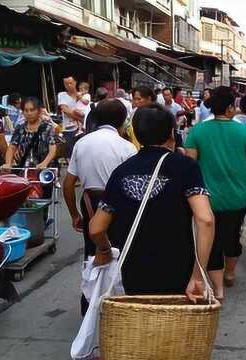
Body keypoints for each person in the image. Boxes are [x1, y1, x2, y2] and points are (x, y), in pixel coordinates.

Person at [89, 104, 214, 302]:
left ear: (136, 135)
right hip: (177, 267)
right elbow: (205, 219)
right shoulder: (185, 167)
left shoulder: (121, 171)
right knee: (174, 327)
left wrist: (105, 250)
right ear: (172, 134)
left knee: (138, 328)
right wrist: (198, 275)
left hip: (131, 269)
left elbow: (96, 228)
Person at [185, 86, 246, 298]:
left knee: (210, 240)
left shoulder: (197, 131)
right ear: (230, 107)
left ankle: (216, 286)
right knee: (231, 236)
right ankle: (229, 273)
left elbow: (189, 164)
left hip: (206, 199)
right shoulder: (244, 132)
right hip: (237, 196)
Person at [63, 99, 136, 315]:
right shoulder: (126, 146)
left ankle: (90, 306)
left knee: (92, 254)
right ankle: (118, 305)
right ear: (123, 121)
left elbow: (68, 184)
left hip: (90, 206)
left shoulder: (82, 143)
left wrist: (74, 214)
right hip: (119, 207)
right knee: (120, 254)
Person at [4, 97, 57, 169]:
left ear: (39, 111)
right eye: (26, 110)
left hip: (44, 171)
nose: (29, 113)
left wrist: (44, 163)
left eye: (32, 110)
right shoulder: (20, 128)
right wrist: (8, 163)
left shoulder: (48, 127)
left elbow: (53, 148)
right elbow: (12, 147)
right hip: (23, 169)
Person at [58, 75, 84, 159]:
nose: (68, 85)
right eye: (66, 84)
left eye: (70, 83)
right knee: (70, 155)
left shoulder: (82, 95)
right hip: (68, 129)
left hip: (82, 129)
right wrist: (81, 118)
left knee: (81, 154)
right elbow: (65, 110)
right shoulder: (62, 95)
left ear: (75, 83)